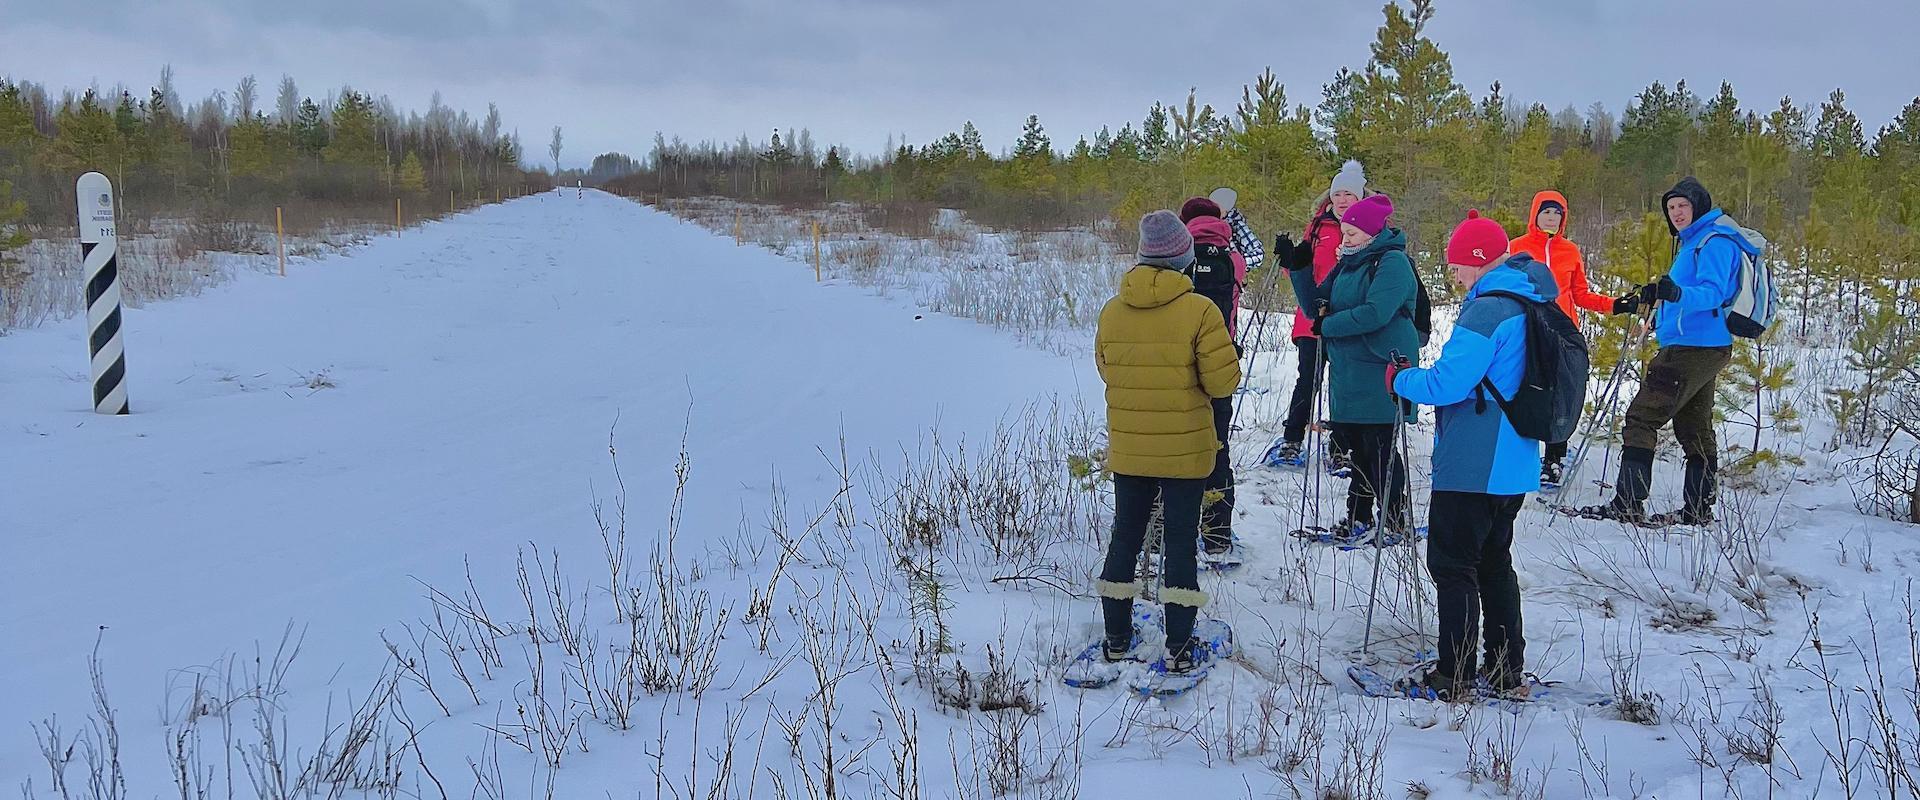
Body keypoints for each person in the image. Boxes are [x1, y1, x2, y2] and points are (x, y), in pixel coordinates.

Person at [1389, 211, 1556, 698]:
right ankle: (1506, 669)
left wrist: (1400, 380)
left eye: (1459, 265)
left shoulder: (1488, 309)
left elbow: (1446, 383)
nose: (1454, 276)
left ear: (1479, 260)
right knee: (1493, 563)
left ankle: (1454, 674)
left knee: (1453, 565)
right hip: (1516, 457)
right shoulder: (1530, 299)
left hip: (1474, 461)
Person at [1093, 210, 1242, 673]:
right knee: (1179, 543)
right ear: (1184, 257)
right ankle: (1179, 648)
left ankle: (1116, 638)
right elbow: (1222, 384)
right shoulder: (1200, 310)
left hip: (1130, 449)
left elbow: (1106, 368)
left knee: (1125, 538)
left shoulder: (1113, 310)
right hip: (1186, 451)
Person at [1578, 177, 1754, 526]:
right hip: (1698, 343)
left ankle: (1628, 503)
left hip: (1693, 346)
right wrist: (1656, 295)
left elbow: (1712, 293)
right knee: (1694, 427)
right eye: (1671, 208)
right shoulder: (1694, 243)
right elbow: (1683, 291)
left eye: (1683, 206)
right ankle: (1698, 510)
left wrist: (1675, 294)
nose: (1676, 213)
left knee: (1643, 417)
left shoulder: (1714, 242)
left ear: (1699, 206)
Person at [1312, 193, 1419, 537]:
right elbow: (1317, 303)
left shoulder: (1392, 262)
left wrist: (1328, 326)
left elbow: (1377, 313)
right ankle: (1359, 515)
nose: (1346, 240)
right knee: (1360, 449)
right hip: (1350, 371)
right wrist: (1299, 267)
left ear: (1373, 233)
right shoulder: (1349, 262)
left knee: (1380, 448)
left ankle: (1395, 516)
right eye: (1344, 234)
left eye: (1353, 234)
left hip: (1380, 368)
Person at [1508, 190, 1613, 486]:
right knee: (1524, 389)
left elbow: (1580, 294)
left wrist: (1614, 305)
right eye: (1546, 212)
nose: (1552, 218)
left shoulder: (1570, 251)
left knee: (1559, 394)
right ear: (1535, 215)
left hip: (1562, 332)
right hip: (1527, 329)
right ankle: (1521, 456)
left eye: (1557, 213)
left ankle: (1554, 460)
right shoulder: (1517, 248)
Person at [1271, 160, 1368, 467]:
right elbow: (1299, 273)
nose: (1341, 200)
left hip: (1348, 318)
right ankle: (1292, 440)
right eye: (1337, 194)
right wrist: (1288, 260)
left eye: (1348, 195)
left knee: (1343, 382)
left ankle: (1340, 446)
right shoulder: (1317, 227)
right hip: (1312, 318)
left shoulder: (1371, 229)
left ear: (1360, 198)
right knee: (1308, 379)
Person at [1179, 196, 1250, 553]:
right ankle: (1218, 534)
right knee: (1218, 447)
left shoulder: (1179, 258)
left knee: (1177, 451)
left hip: (1180, 369)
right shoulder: (1233, 259)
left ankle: (1170, 528)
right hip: (1222, 363)